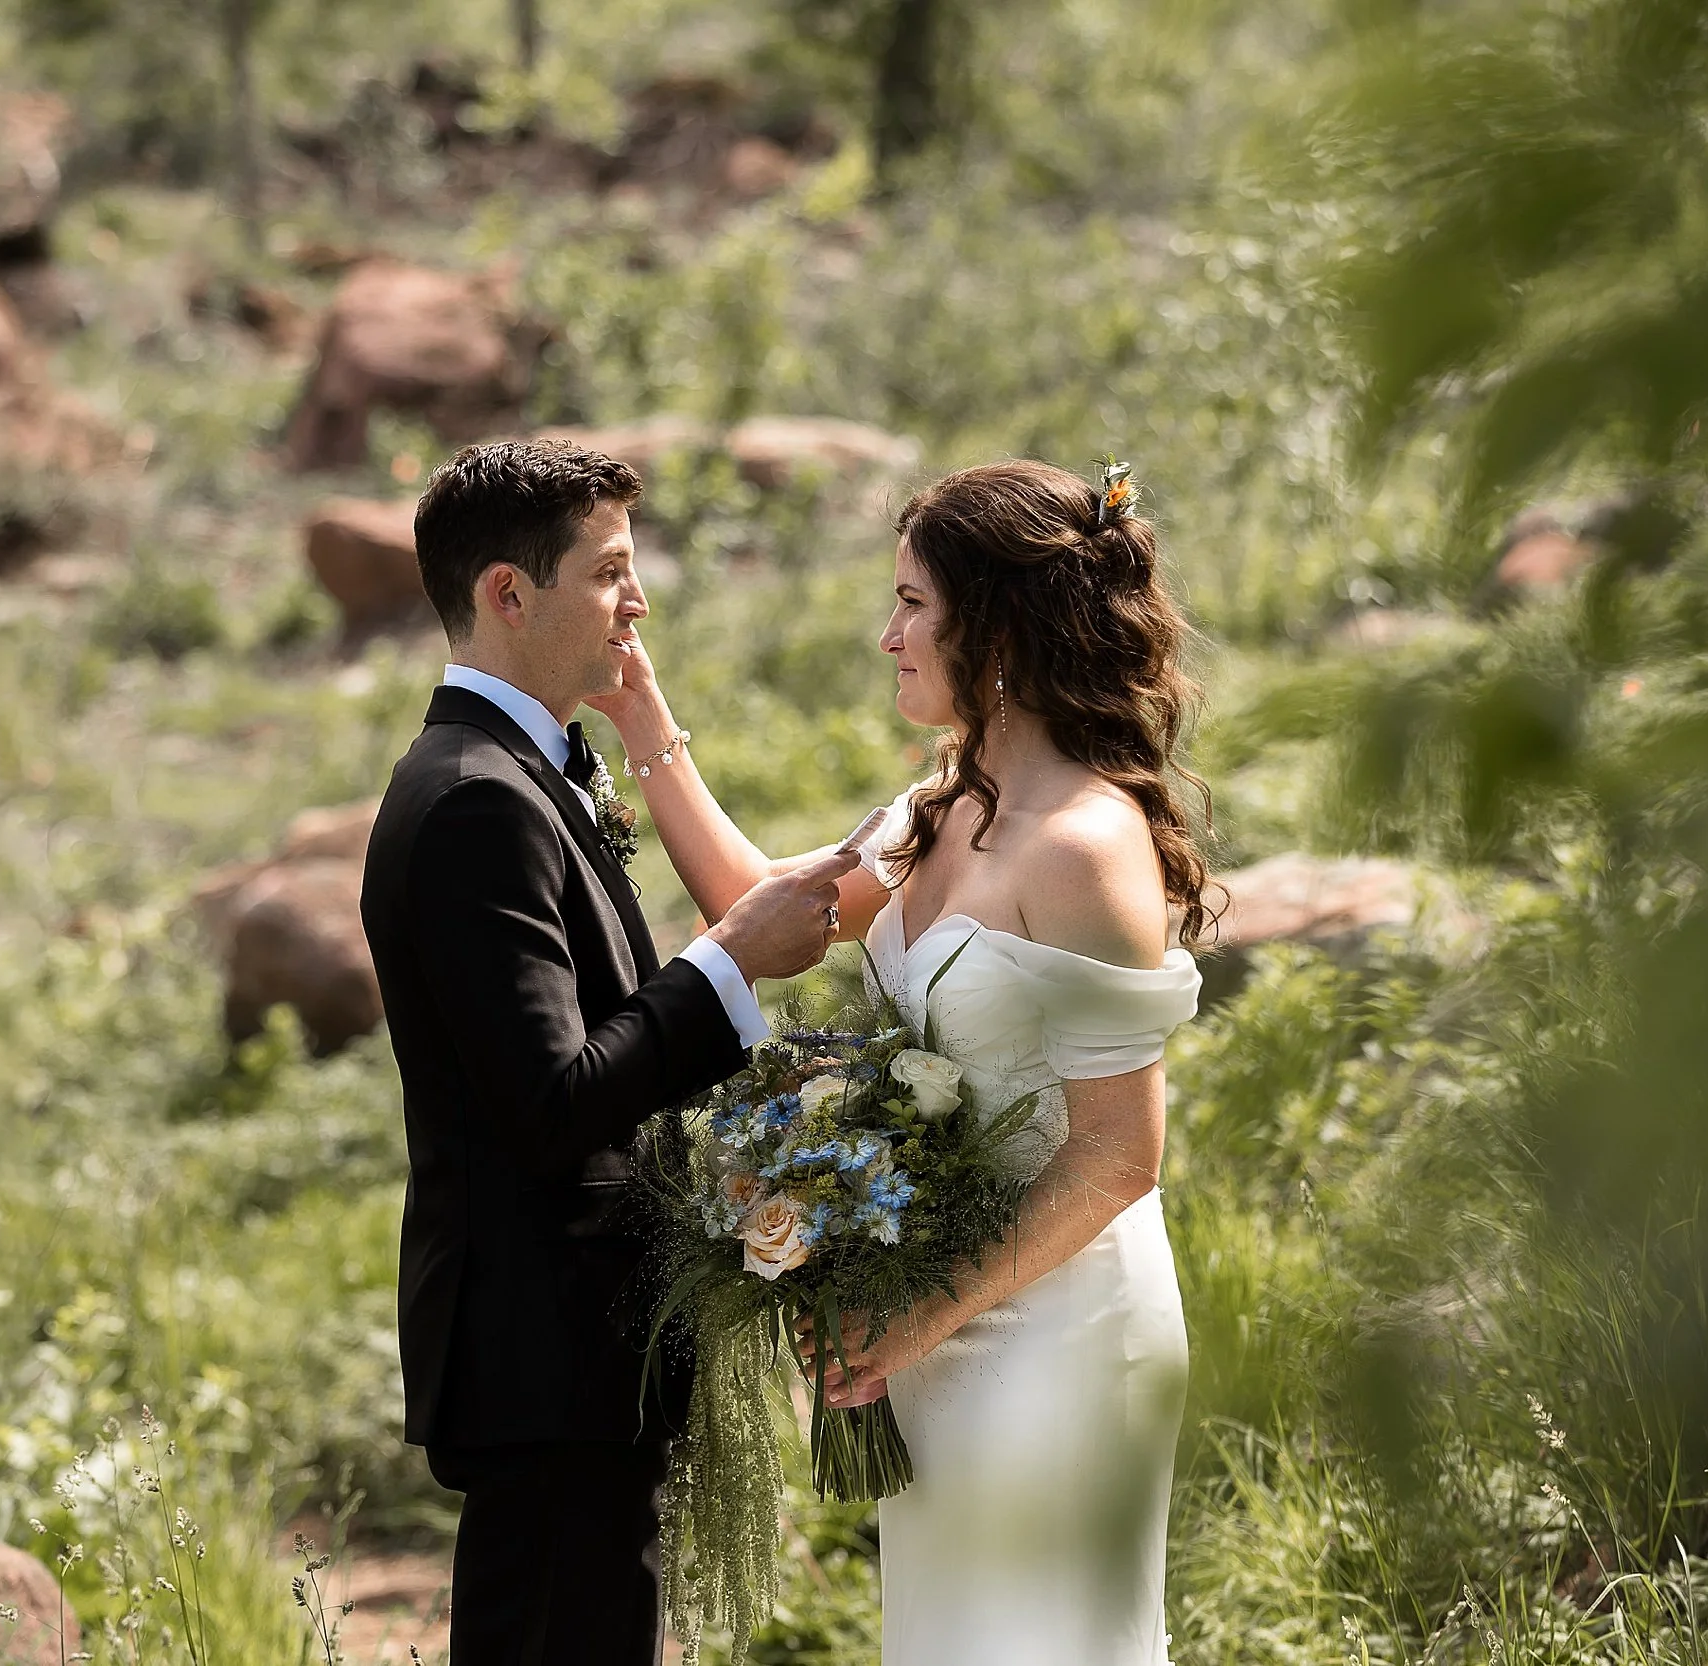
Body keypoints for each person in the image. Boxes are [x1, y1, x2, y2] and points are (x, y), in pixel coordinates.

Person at [588, 458, 1212, 1665]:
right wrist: (641, 722)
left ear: (998, 624)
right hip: (930, 1339)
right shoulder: (945, 801)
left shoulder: (1087, 846)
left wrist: (918, 1312)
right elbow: (764, 910)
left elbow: (1120, 1156)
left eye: (913, 604)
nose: (888, 636)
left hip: (1063, 1334)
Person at [357, 438, 859, 1666]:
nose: (637, 602)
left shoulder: (521, 773)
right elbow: (551, 1100)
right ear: (506, 595)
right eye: (609, 571)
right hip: (544, 1358)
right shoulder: (479, 798)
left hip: (575, 1358)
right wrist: (727, 960)